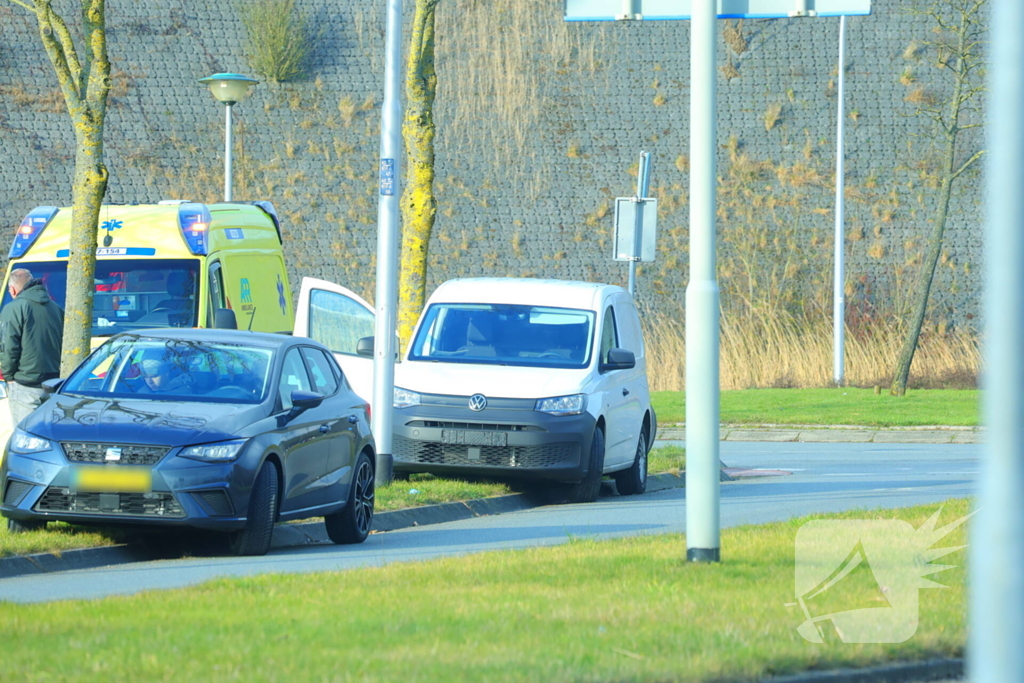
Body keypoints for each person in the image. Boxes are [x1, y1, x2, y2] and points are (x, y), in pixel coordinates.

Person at [0, 268, 64, 426]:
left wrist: (8, 376)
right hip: (54, 382)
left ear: (12, 289)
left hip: (25, 382)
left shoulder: (13, 308)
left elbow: (8, 346)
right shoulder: (55, 308)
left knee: (25, 432)